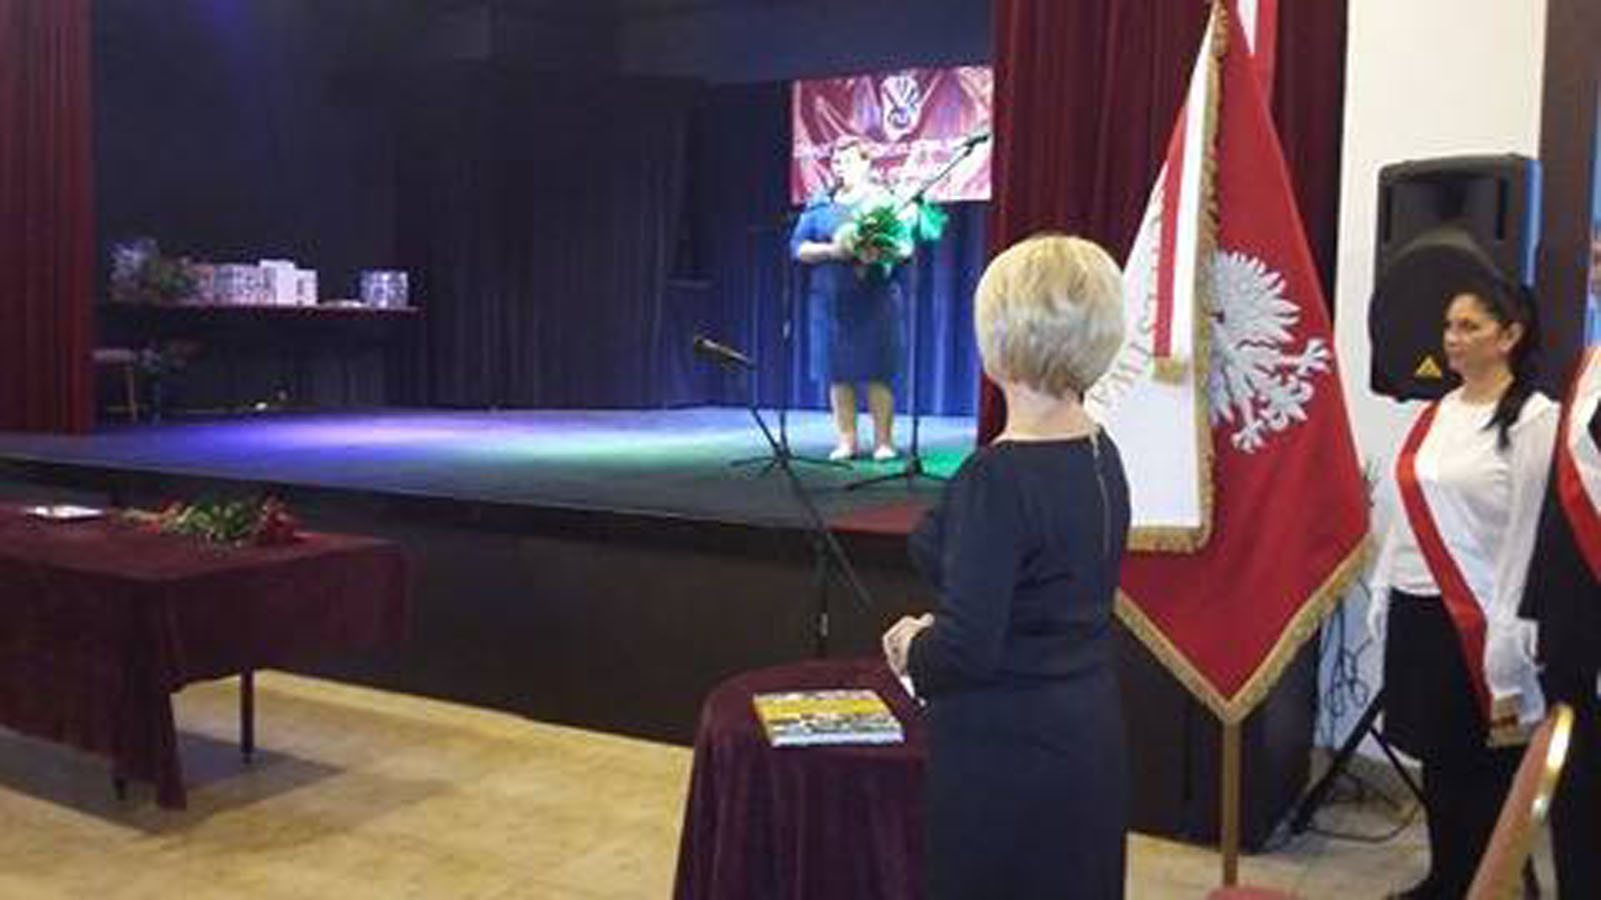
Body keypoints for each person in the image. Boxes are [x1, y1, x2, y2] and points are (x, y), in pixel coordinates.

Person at [881, 234, 1131, 899]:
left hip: (1007, 753)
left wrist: (912, 645)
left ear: (999, 338)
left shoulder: (998, 477)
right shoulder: (1100, 451)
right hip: (1085, 736)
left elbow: (965, 651)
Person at [1366, 277, 1559, 899]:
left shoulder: (1534, 419)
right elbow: (1405, 513)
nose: (1452, 338)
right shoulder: (1438, 410)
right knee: (1440, 758)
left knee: (1485, 767)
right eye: (1450, 325)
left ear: (1510, 335)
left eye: (1469, 326)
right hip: (1418, 610)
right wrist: (1383, 589)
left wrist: (1510, 634)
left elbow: (1530, 533)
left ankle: (1488, 885)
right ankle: (1447, 878)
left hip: (1481, 618)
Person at [1519, 345, 1600, 898]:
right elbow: (1558, 497)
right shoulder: (1590, 364)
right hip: (1573, 612)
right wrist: (1536, 602)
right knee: (1576, 771)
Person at [790, 138, 911, 462]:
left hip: (876, 301)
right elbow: (798, 247)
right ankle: (847, 442)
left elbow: (905, 247)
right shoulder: (821, 203)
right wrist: (833, 250)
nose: (841, 167)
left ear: (866, 164)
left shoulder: (884, 202)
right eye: (837, 162)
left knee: (877, 372)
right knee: (838, 373)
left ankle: (884, 442)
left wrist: (878, 251)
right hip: (831, 303)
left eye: (849, 161)